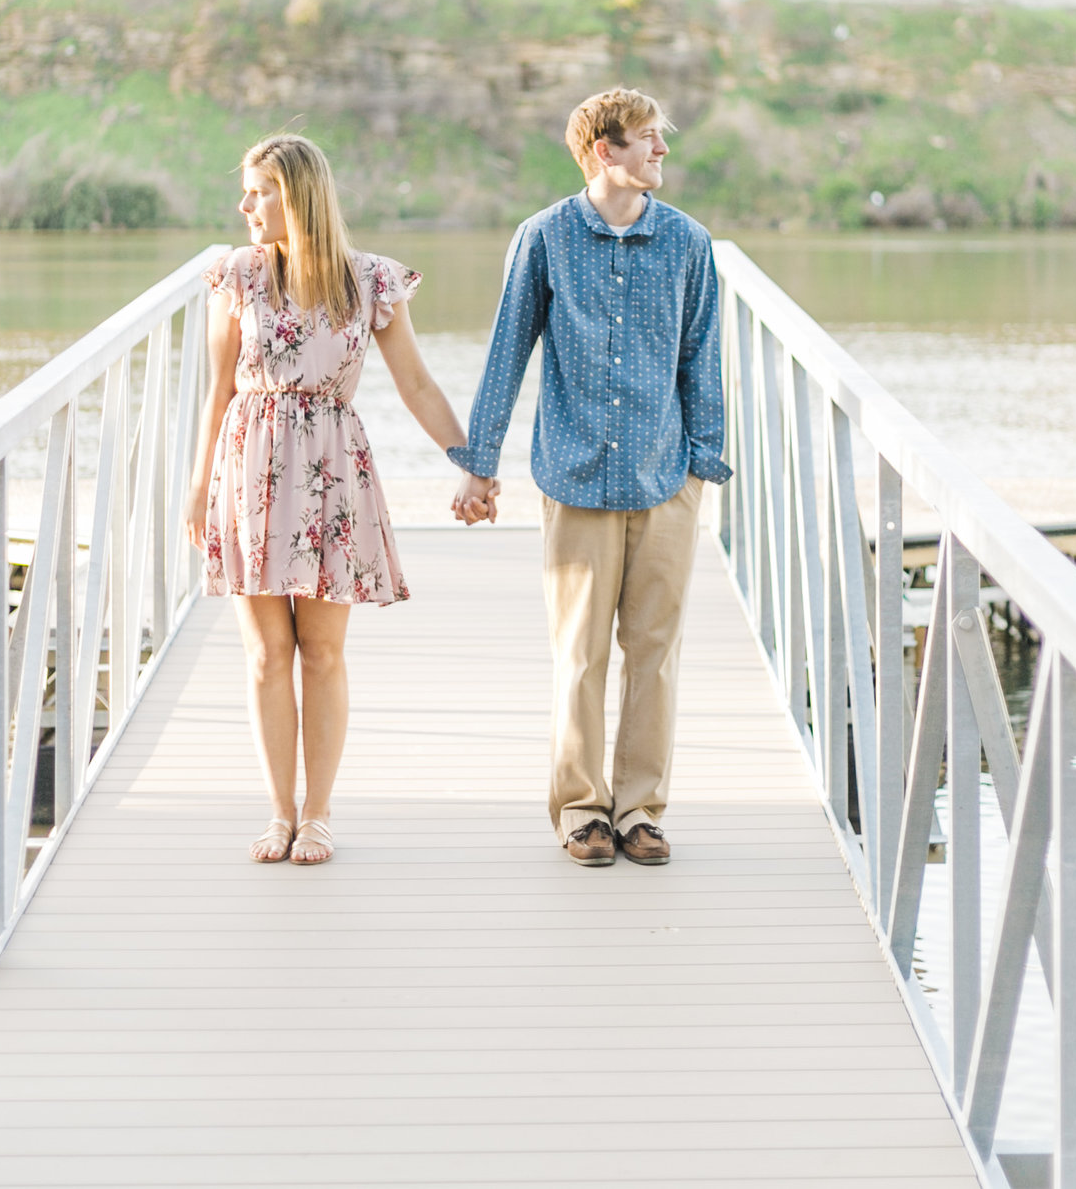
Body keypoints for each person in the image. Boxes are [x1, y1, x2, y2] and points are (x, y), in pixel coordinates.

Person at [449, 88, 730, 867]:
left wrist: (701, 471)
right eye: (648, 140)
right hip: (574, 476)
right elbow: (508, 351)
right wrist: (481, 463)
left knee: (655, 651)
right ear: (604, 151)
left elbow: (701, 361)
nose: (662, 152)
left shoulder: (689, 243)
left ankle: (640, 807)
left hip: (664, 476)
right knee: (579, 653)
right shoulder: (542, 238)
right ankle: (581, 810)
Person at [184, 135, 480, 866]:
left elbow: (416, 384)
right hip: (249, 467)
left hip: (331, 470)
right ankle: (279, 812)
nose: (245, 205)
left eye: (259, 191)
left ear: (299, 195)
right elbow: (218, 390)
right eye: (246, 191)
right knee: (265, 654)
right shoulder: (238, 275)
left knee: (321, 651)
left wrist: (472, 463)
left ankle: (318, 813)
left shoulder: (370, 280)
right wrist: (197, 491)